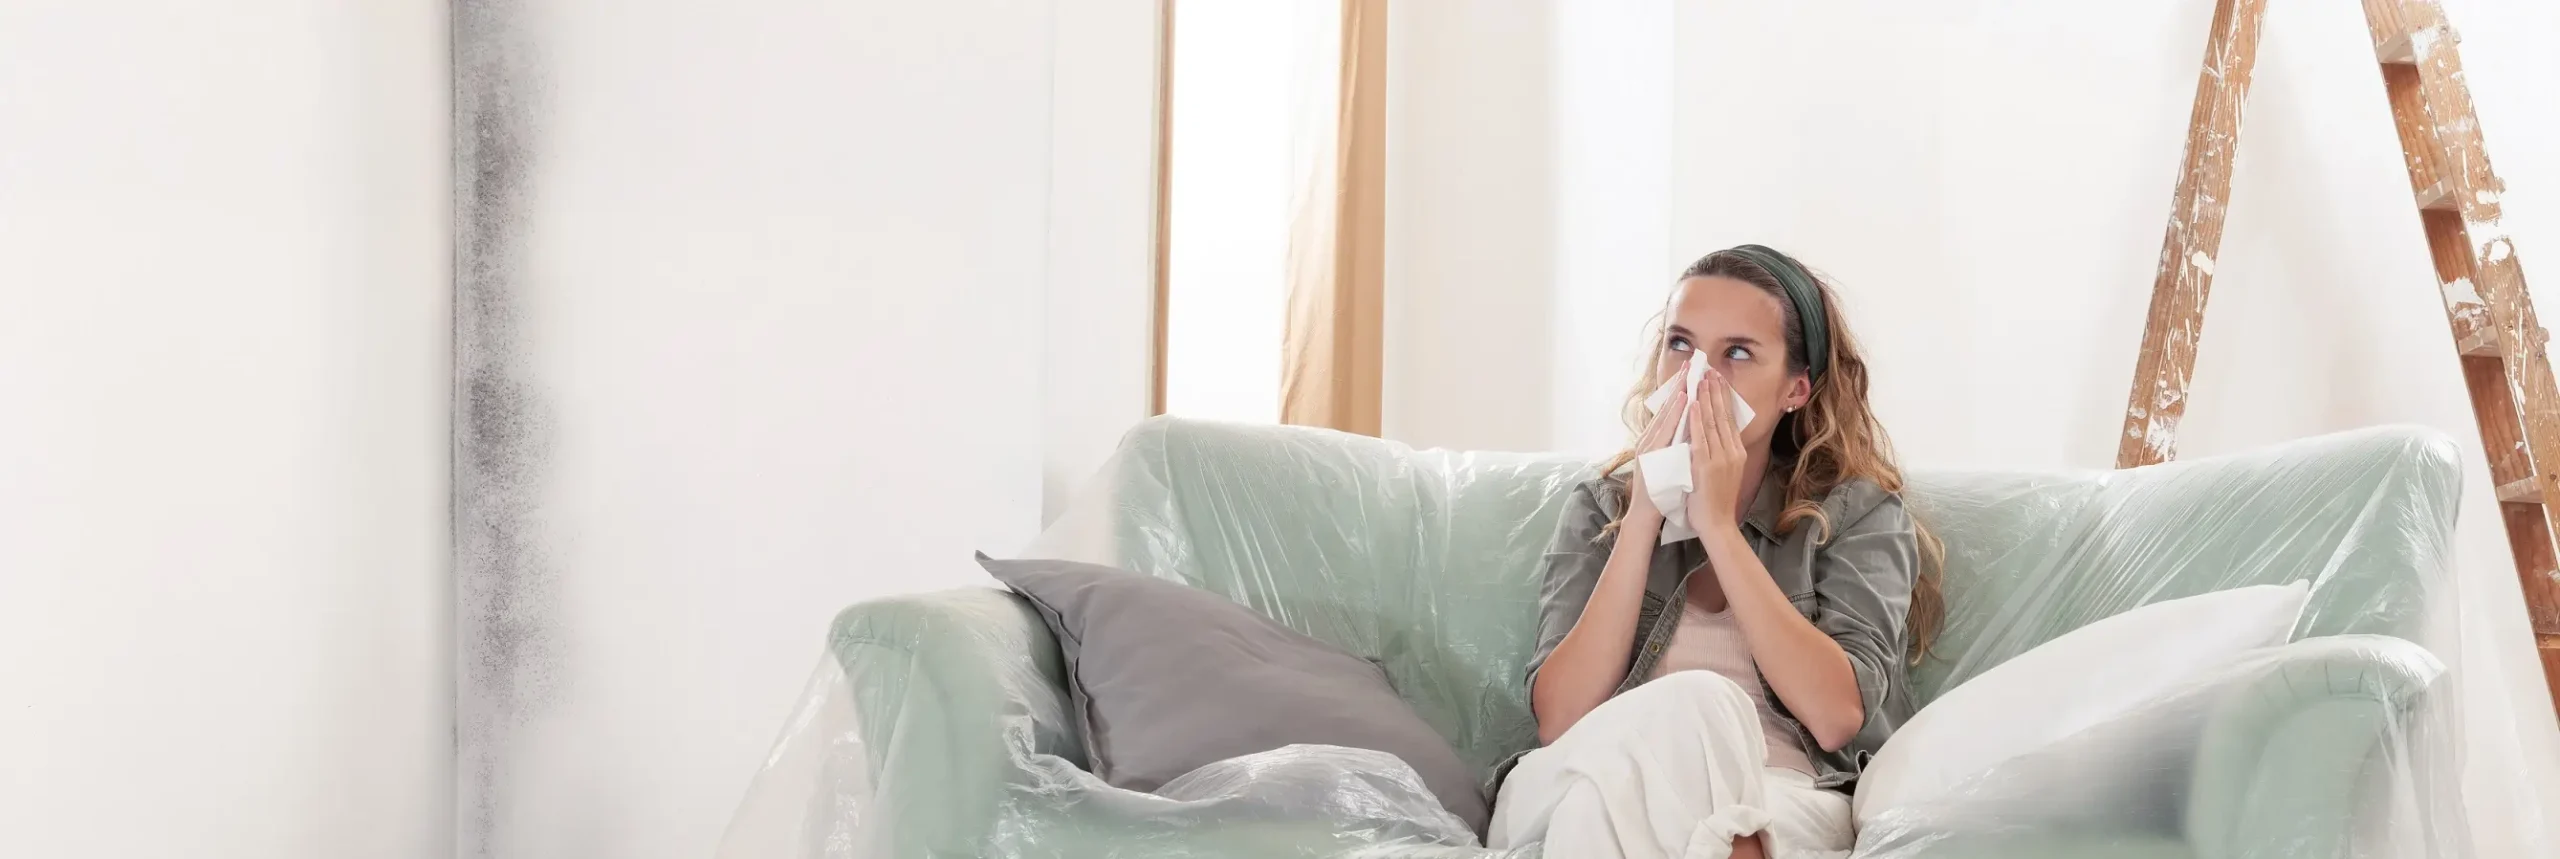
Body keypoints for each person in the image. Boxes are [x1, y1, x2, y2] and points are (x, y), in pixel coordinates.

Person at [1488, 245, 1943, 859]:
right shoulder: (1604, 506)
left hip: (1784, 789)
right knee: (1672, 744)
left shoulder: (1855, 513)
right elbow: (1562, 721)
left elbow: (1836, 716)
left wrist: (1720, 529)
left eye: (1736, 352)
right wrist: (1645, 512)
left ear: (1796, 388)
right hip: (1591, 770)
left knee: (1710, 795)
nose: (1697, 376)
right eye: (1681, 344)